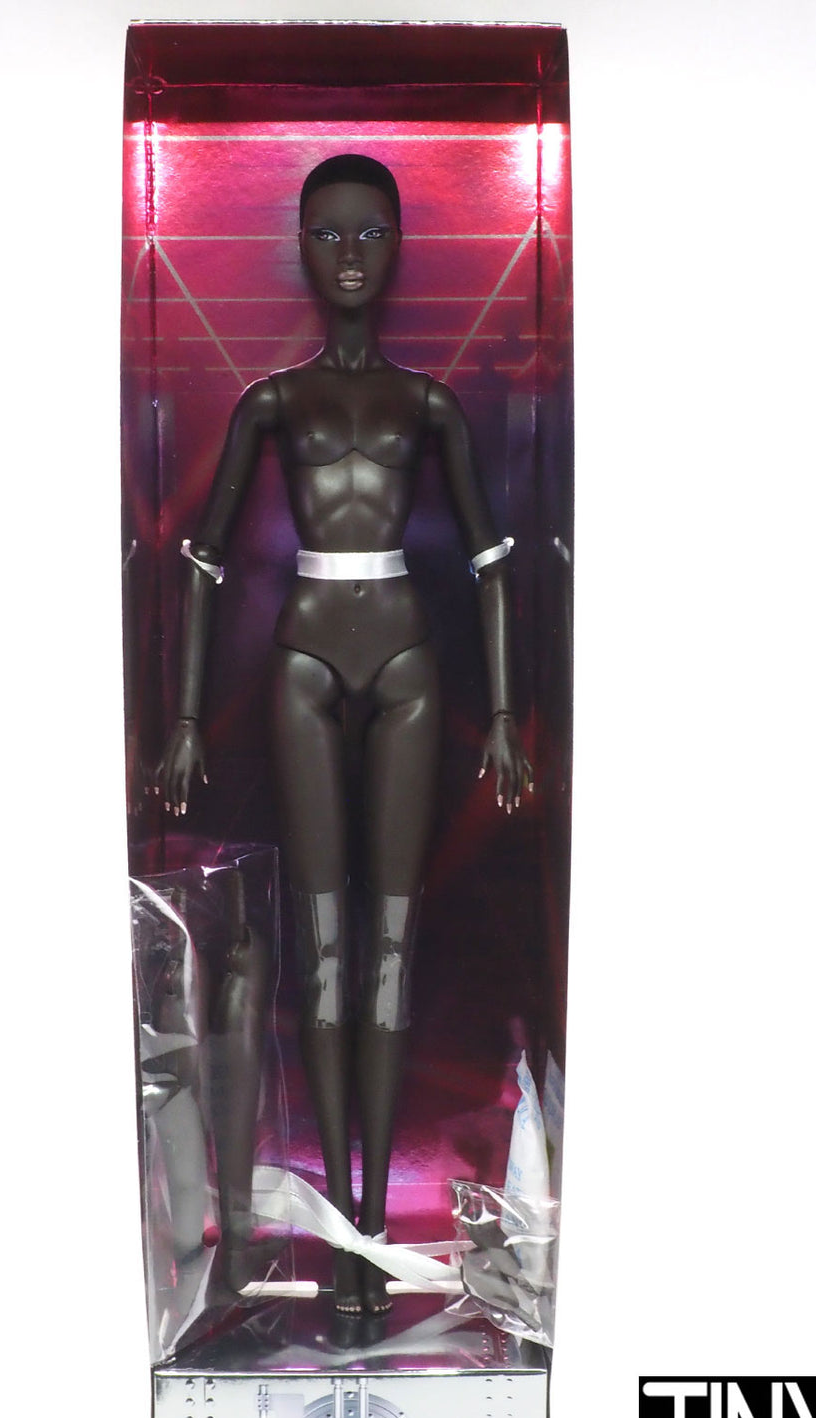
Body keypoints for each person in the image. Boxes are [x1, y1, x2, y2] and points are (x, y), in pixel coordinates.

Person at [157, 154, 531, 1315]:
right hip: (307, 658)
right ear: (302, 248)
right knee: (326, 950)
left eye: (371, 233)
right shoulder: (273, 403)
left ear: (398, 244)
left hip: (407, 659)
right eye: (328, 234)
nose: (351, 256)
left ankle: (368, 1226)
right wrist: (183, 718)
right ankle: (344, 1251)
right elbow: (205, 563)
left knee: (390, 950)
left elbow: (492, 564)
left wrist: (506, 715)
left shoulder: (430, 405)